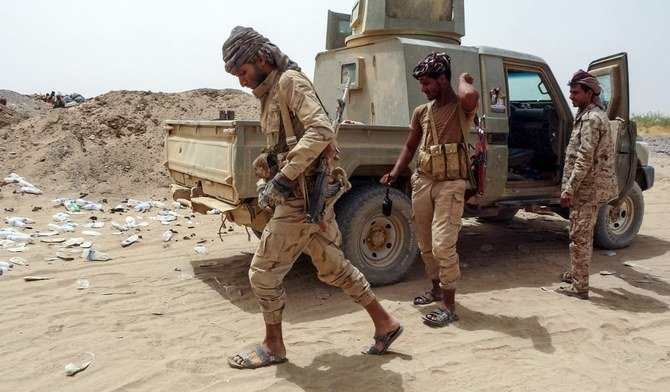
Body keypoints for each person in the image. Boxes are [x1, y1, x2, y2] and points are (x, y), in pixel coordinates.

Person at [221, 26, 402, 369]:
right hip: (305, 196)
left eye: (243, 71)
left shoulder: (290, 82)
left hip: (302, 199)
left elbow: (321, 130)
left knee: (262, 273)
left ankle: (273, 346)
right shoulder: (270, 93)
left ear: (261, 59)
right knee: (334, 268)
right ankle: (386, 323)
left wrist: (284, 177)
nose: (241, 81)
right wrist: (269, 171)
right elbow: (286, 145)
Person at [380, 52, 479, 326]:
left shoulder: (462, 107)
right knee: (425, 244)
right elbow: (410, 145)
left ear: (443, 80)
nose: (423, 89)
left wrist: (462, 78)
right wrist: (396, 171)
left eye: (427, 83)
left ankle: (449, 305)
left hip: (451, 184)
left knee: (442, 245)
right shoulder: (421, 112)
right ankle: (436, 289)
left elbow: (470, 95)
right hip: (424, 181)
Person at [557, 69, 617, 300]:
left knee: (579, 237)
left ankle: (580, 287)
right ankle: (576, 273)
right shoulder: (588, 114)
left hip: (587, 189)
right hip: (589, 186)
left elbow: (584, 157)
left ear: (589, 93)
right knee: (582, 234)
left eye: (575, 92)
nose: (571, 96)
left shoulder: (592, 119)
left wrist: (569, 188)